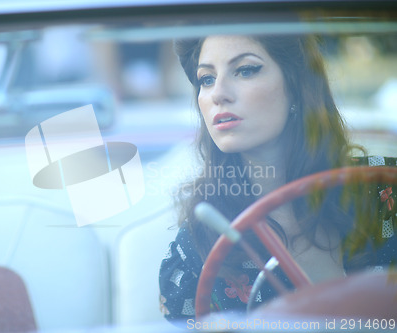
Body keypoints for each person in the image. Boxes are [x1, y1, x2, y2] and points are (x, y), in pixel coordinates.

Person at [158, 34, 397, 323]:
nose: (217, 93)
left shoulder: (384, 190)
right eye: (206, 79)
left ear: (296, 86)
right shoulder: (197, 245)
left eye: (245, 70)